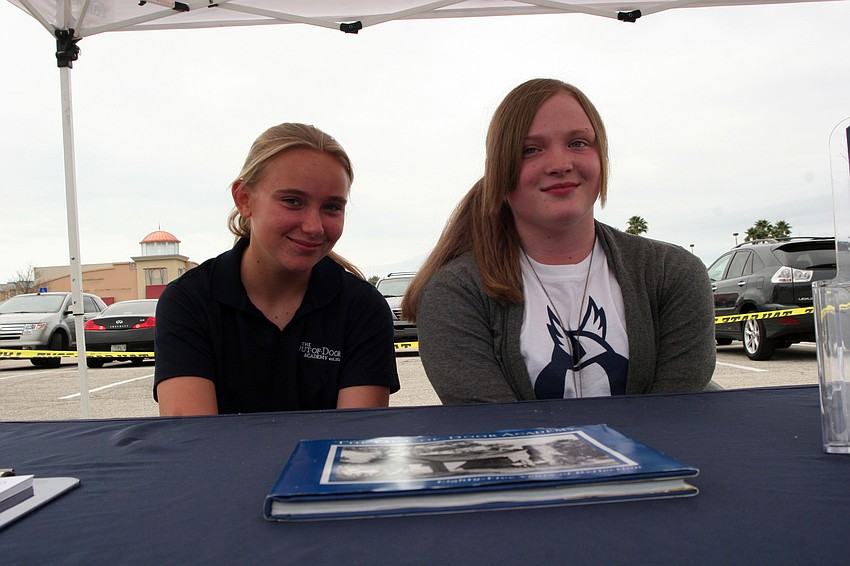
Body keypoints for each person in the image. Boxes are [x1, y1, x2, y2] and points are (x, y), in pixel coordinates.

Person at [402, 79, 716, 404]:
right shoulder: (455, 293)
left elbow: (677, 417)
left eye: (578, 143)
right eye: (530, 150)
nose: (560, 164)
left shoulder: (673, 273)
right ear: (500, 170)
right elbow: (499, 437)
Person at [154, 123, 400, 415]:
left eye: (332, 207)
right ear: (244, 199)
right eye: (293, 201)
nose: (314, 226)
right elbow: (193, 441)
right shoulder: (190, 301)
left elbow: (354, 444)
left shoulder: (362, 308)